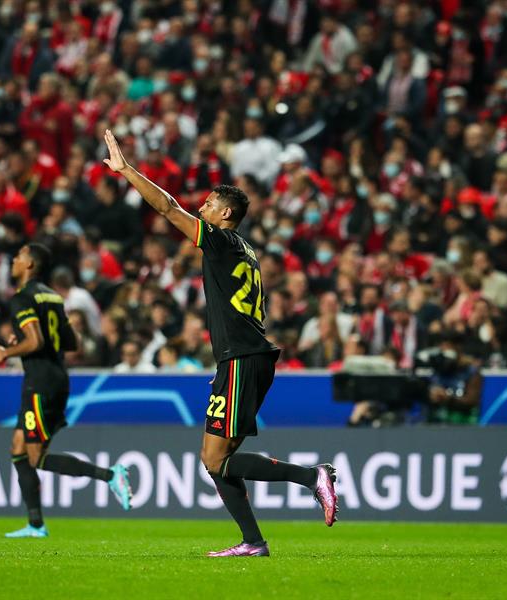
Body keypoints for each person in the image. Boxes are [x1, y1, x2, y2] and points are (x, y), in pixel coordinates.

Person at [102, 130, 337, 558]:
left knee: (216, 460)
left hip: (242, 358)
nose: (201, 207)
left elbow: (168, 208)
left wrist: (127, 171)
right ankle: (253, 542)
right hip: (244, 358)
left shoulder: (222, 239)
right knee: (215, 458)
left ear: (225, 212)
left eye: (208, 204)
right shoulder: (243, 248)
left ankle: (311, 477)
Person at [0, 243, 132, 538]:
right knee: (18, 448)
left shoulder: (23, 298)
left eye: (18, 256)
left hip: (40, 382)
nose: (14, 260)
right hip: (54, 377)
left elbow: (35, 341)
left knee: (35, 457)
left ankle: (110, 476)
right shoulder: (52, 297)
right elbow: (72, 343)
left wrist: (6, 352)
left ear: (29, 264)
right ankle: (35, 525)